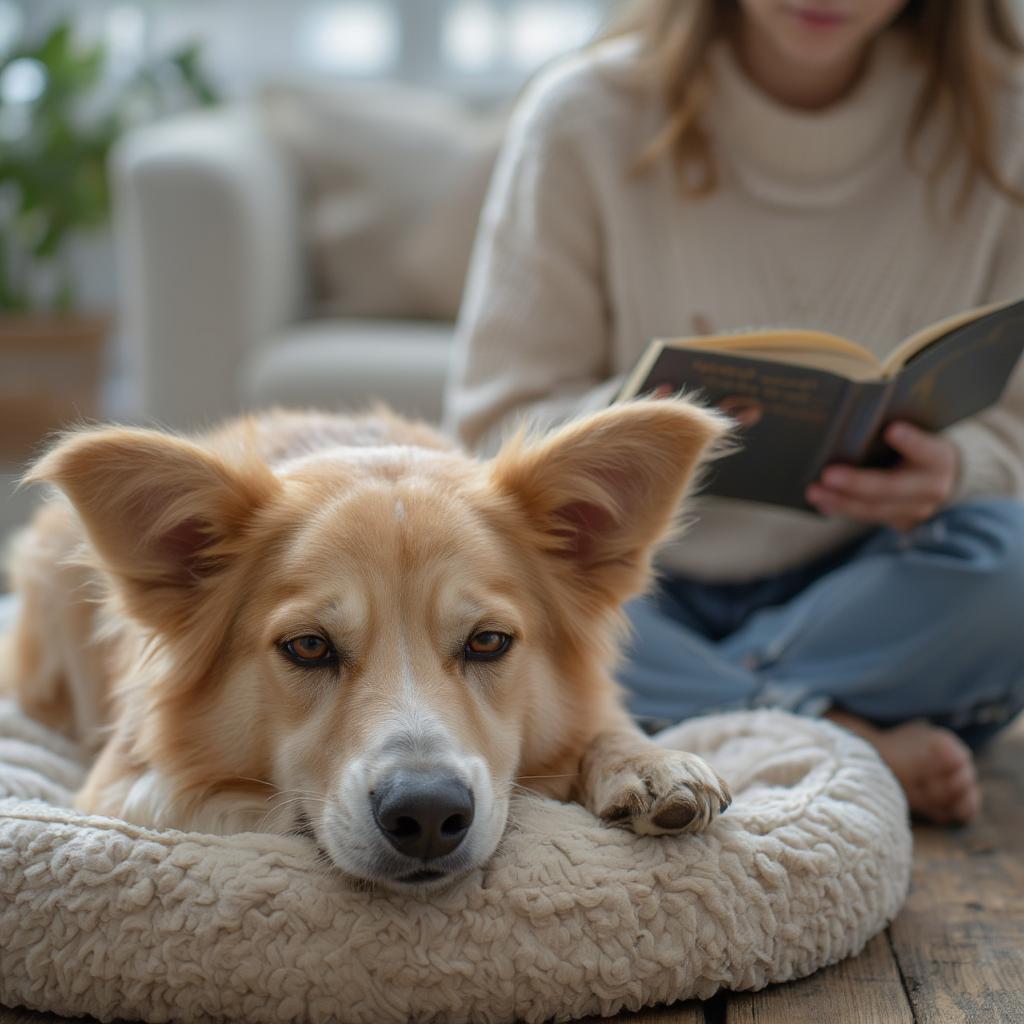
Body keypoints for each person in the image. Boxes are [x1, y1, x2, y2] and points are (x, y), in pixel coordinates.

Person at [444, 0, 1024, 825]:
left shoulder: (1007, 122)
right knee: (510, 618)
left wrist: (960, 466)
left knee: (1011, 571)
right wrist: (645, 428)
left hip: (871, 578)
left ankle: (704, 708)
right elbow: (491, 426)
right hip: (637, 587)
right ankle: (829, 728)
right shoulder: (584, 116)